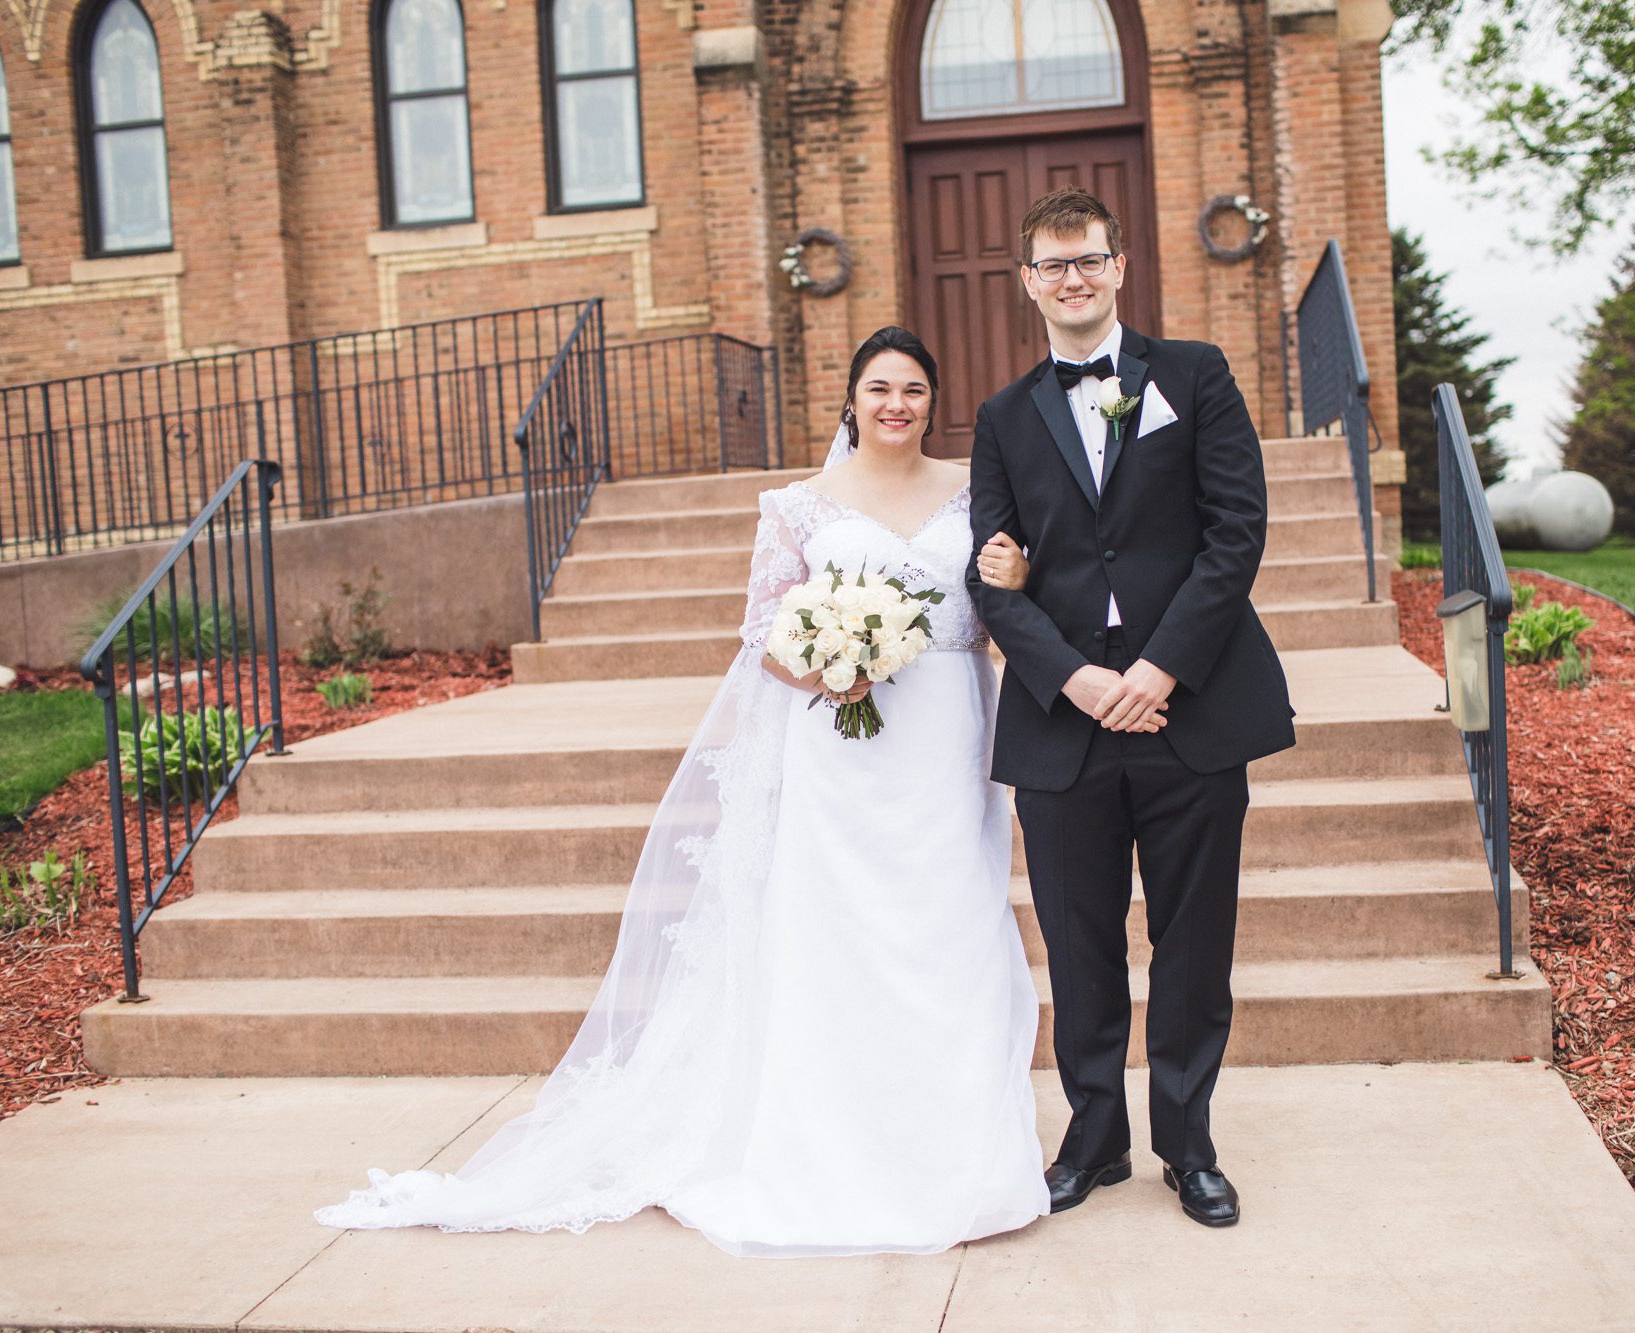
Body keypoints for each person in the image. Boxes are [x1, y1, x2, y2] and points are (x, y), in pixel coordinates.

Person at [315, 327, 1057, 1257]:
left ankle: (958, 1156)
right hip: (842, 755)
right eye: (879, 388)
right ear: (851, 399)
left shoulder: (974, 494)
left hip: (948, 742)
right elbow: (764, 637)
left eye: (913, 388)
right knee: (842, 934)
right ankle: (839, 1154)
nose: (896, 404)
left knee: (952, 925)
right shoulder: (800, 505)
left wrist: (1021, 578)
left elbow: (999, 612)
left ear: (932, 401)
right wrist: (832, 669)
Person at [966, 187, 1297, 1229]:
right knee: (1079, 943)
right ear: (1027, 282)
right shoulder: (1001, 418)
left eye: (1088, 260)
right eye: (1052, 264)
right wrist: (1074, 678)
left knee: (1193, 942)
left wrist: (1159, 670)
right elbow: (989, 574)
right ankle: (1094, 1137)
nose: (1072, 278)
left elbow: (1235, 530)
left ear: (1118, 268)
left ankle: (1189, 1146)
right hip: (1064, 717)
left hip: (1187, 707)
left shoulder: (1194, 375)